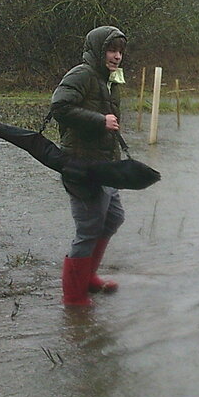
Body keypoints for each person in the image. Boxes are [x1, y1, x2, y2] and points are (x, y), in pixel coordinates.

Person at [51, 26, 128, 307]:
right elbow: (59, 107)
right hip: (81, 165)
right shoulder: (81, 74)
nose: (117, 56)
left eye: (120, 51)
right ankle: (73, 297)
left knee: (113, 218)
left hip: (105, 164)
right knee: (88, 229)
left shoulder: (110, 79)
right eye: (111, 50)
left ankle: (88, 277)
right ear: (97, 51)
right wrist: (99, 121)